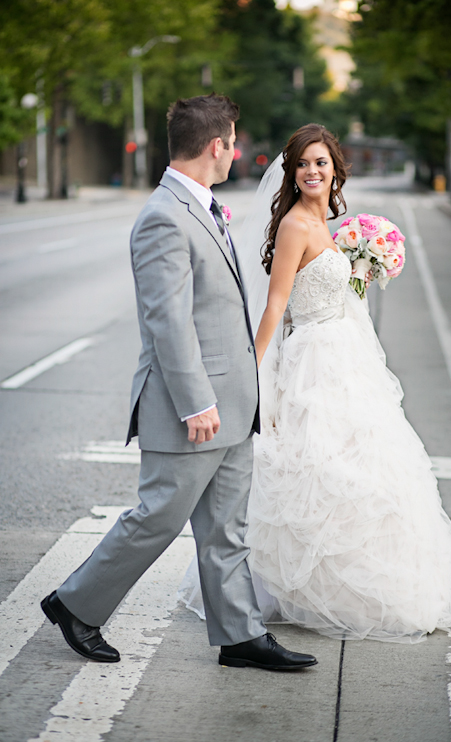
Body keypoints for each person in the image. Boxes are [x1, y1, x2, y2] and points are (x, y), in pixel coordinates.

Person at [40, 94, 317, 672]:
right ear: (217, 146)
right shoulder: (163, 216)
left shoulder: (202, 205)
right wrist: (197, 403)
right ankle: (76, 605)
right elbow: (167, 322)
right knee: (158, 517)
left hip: (235, 405)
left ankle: (240, 636)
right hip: (194, 409)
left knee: (226, 530)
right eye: (233, 141)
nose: (236, 150)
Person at [181, 123, 451, 643]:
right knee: (318, 473)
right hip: (314, 359)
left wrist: (362, 264)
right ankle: (311, 590)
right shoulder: (295, 225)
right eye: (302, 164)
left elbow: (339, 292)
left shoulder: (330, 223)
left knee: (364, 472)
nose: (312, 171)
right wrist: (253, 372)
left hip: (347, 356)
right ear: (291, 173)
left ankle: (353, 586)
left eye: (320, 162)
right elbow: (274, 305)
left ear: (336, 168)